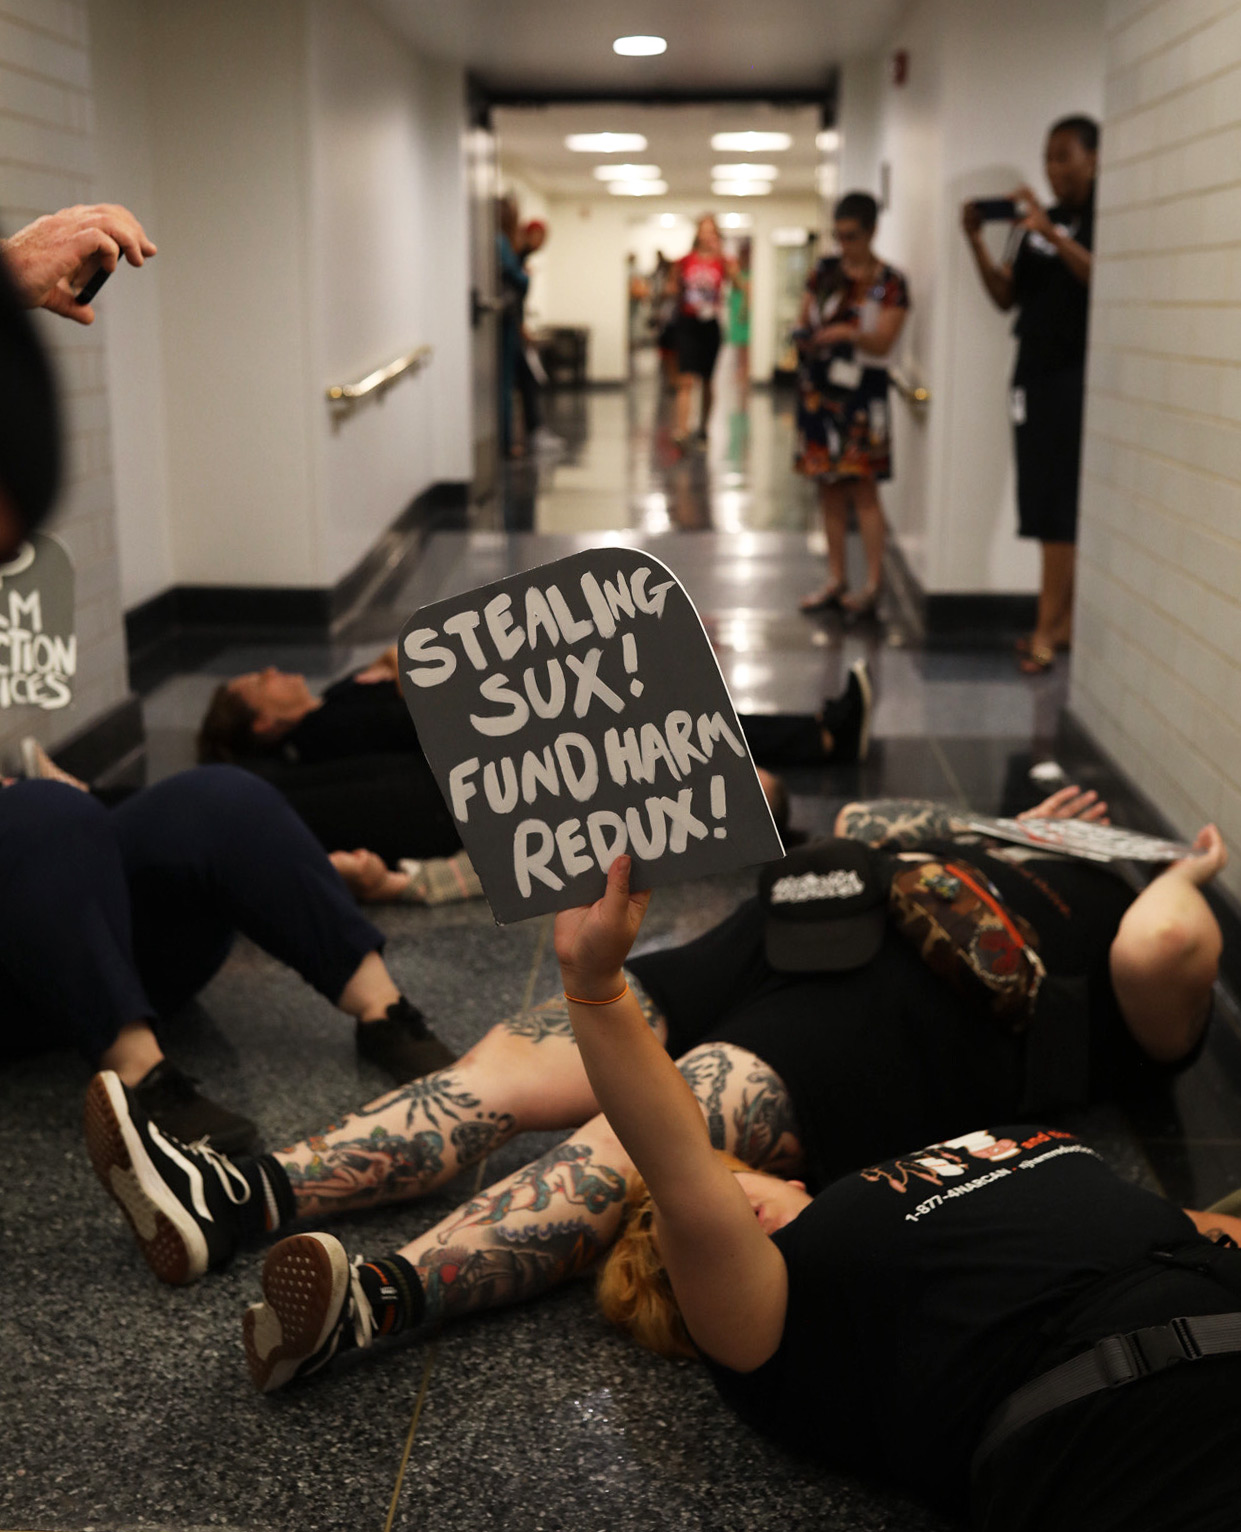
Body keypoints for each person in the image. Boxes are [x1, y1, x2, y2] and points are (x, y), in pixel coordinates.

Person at [84, 787, 1226, 1400]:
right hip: (779, 929)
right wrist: (999, 822)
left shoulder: (1132, 927)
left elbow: (1169, 948)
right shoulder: (993, 832)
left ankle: (370, 1298)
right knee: (522, 1050)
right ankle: (240, 1191)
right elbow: (866, 819)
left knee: (681, 1103)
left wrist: (1171, 864)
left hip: (903, 1023)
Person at [558, 860, 1241, 1529]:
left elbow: (1187, 1229)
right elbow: (676, 1164)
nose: (724, 1221)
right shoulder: (775, 1322)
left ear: (788, 1179)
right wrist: (593, 984)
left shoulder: (898, 1179)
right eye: (677, 1261)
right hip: (1134, 1432)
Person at [0, 765, 454, 1154]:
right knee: (40, 809)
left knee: (217, 796)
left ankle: (385, 1013)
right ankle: (142, 1077)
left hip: (109, 948)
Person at [198, 652, 878, 851]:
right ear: (262, 724)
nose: (273, 669)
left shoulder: (334, 697)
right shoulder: (323, 733)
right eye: (257, 680)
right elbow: (431, 720)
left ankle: (816, 733)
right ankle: (816, 739)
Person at [962, 117, 1099, 675]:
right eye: (1048, 157)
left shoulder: (1099, 220)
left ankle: (1048, 627)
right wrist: (975, 240)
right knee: (1041, 499)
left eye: (1064, 156)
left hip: (1073, 377)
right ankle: (1060, 623)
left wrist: (1054, 234)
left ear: (1094, 158)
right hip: (1032, 373)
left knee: (1059, 506)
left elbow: (1102, 278)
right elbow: (1005, 296)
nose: (1053, 168)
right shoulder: (1034, 225)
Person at [796, 192, 910, 618]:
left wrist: (847, 334)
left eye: (852, 236)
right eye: (838, 236)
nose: (844, 245)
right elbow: (803, 316)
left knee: (864, 489)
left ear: (872, 231)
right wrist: (807, 335)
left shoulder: (891, 283)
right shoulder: (824, 273)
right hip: (821, 389)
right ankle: (836, 578)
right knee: (828, 488)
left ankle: (873, 583)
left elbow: (883, 339)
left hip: (863, 394)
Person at [672, 215, 738, 448]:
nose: (708, 235)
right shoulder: (684, 261)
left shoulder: (724, 262)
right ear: (697, 233)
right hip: (688, 323)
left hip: (710, 325)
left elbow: (739, 285)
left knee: (708, 380)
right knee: (686, 379)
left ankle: (704, 428)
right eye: (704, 230)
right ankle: (681, 429)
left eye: (712, 231)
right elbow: (673, 289)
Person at [514, 219, 562, 456]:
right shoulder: (514, 255)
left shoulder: (522, 258)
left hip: (517, 326)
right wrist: (520, 325)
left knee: (529, 380)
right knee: (527, 379)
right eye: (541, 237)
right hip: (512, 330)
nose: (542, 244)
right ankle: (531, 431)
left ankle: (532, 430)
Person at [726, 240, 752, 389]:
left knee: (745, 347)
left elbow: (747, 294)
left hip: (743, 315)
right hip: (737, 313)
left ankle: (744, 372)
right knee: (739, 347)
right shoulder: (738, 273)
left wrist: (743, 311)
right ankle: (741, 371)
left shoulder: (749, 275)